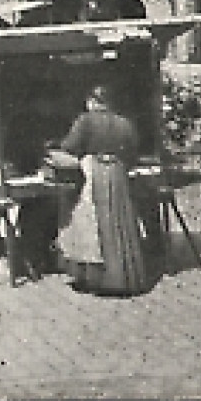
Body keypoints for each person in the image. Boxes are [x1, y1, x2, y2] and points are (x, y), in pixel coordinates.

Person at [57, 83, 154, 296]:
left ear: (92, 101)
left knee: (91, 223)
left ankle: (96, 278)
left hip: (94, 172)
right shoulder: (124, 123)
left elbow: (68, 147)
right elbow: (132, 153)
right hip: (118, 174)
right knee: (120, 223)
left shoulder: (85, 121)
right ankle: (123, 277)